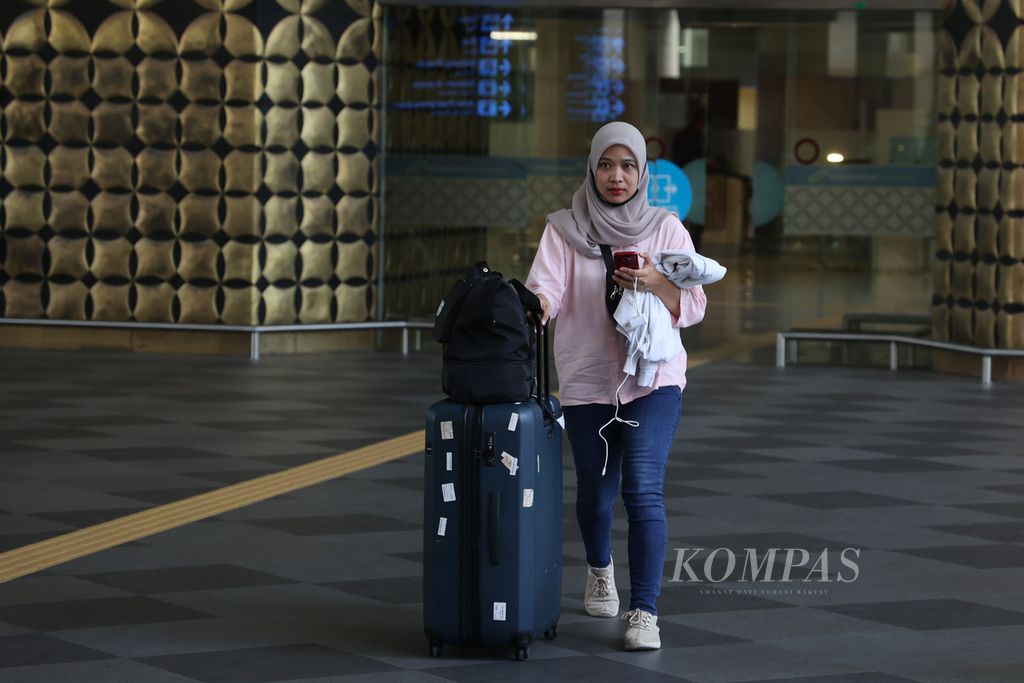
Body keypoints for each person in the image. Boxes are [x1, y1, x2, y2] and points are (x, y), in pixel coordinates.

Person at [526, 121, 707, 651]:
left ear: (643, 171)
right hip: (586, 379)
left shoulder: (667, 228)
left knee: (643, 489)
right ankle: (600, 568)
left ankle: (645, 611)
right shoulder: (564, 229)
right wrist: (532, 306)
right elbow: (546, 290)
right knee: (596, 494)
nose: (617, 176)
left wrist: (656, 282)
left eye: (628, 165)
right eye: (607, 164)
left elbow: (694, 305)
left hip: (653, 378)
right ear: (592, 167)